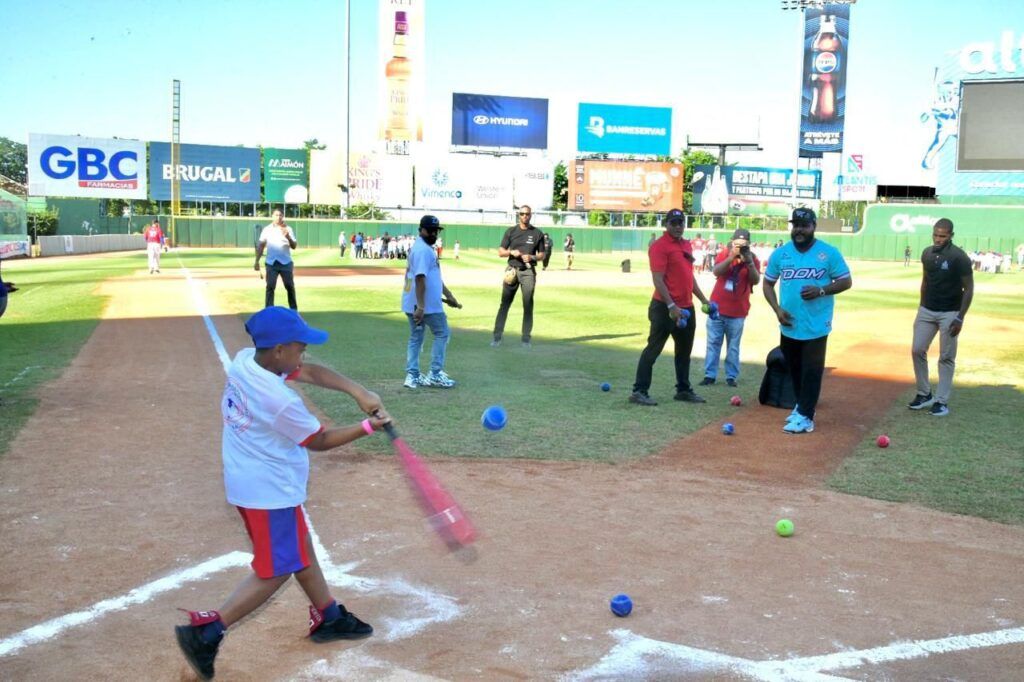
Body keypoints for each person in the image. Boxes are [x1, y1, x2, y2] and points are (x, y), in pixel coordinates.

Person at [174, 306, 392, 680]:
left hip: (258, 480)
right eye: (298, 346)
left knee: (300, 546)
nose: (303, 353)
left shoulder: (248, 359)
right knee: (277, 569)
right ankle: (207, 632)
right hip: (265, 490)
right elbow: (319, 440)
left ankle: (329, 615)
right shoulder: (277, 400)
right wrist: (368, 428)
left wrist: (358, 390)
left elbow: (306, 371)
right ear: (278, 350)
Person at [762, 208, 852, 434]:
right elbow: (767, 284)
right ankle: (801, 407)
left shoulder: (828, 253)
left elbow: (845, 281)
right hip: (789, 323)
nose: (799, 230)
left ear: (813, 226)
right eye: (796, 225)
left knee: (811, 370)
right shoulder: (781, 254)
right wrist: (777, 309)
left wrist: (821, 290)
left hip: (816, 324)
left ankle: (806, 416)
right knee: (794, 368)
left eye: (804, 225)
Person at [629, 208, 711, 406]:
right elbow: (658, 279)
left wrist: (703, 300)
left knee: (684, 352)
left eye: (680, 222)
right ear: (666, 224)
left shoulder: (686, 245)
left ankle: (683, 390)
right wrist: (671, 305)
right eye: (673, 223)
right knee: (653, 349)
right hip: (664, 308)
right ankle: (639, 391)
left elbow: (688, 276)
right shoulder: (660, 246)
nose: (677, 226)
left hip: (686, 307)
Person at [908, 218, 974, 417]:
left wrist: (960, 317)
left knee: (946, 357)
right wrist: (921, 306)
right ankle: (924, 393)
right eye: (935, 235)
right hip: (927, 310)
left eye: (942, 236)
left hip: (950, 313)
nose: (938, 239)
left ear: (951, 236)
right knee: (917, 349)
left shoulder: (959, 257)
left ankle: (941, 401)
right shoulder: (927, 253)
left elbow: (969, 288)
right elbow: (925, 281)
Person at [402, 215, 462, 389]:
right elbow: (420, 279)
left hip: (415, 303)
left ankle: (412, 375)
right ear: (421, 230)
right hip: (426, 306)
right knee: (442, 333)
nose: (434, 233)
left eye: (436, 231)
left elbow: (433, 277)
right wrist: (421, 307)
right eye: (430, 230)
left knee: (416, 337)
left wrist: (449, 295)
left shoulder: (423, 248)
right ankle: (434, 374)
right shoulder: (423, 251)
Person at [701, 228, 761, 388]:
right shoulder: (724, 253)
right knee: (713, 343)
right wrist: (731, 257)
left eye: (744, 244)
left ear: (749, 244)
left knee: (733, 346)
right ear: (732, 242)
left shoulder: (753, 259)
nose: (740, 247)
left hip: (738, 311)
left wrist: (748, 262)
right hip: (718, 308)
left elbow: (755, 280)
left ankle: (731, 376)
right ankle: (710, 375)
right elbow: (716, 271)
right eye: (737, 244)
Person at [491, 205, 546, 348]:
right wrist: (511, 252)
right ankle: (497, 338)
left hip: (528, 272)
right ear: (518, 215)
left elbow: (542, 254)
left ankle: (526, 339)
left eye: (527, 214)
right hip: (512, 272)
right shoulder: (511, 231)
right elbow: (500, 251)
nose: (524, 216)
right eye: (522, 214)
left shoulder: (537, 233)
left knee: (528, 305)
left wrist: (532, 257)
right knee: (504, 304)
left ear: (531, 215)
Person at [255, 209, 299, 310]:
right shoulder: (267, 229)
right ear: (272, 216)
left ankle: (294, 310)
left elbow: (294, 246)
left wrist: (288, 237)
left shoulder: (288, 229)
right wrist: (256, 261)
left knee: (289, 286)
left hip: (286, 263)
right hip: (271, 263)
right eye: (276, 215)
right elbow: (261, 246)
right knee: (270, 287)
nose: (278, 217)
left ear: (282, 217)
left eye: (280, 215)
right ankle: (269, 310)